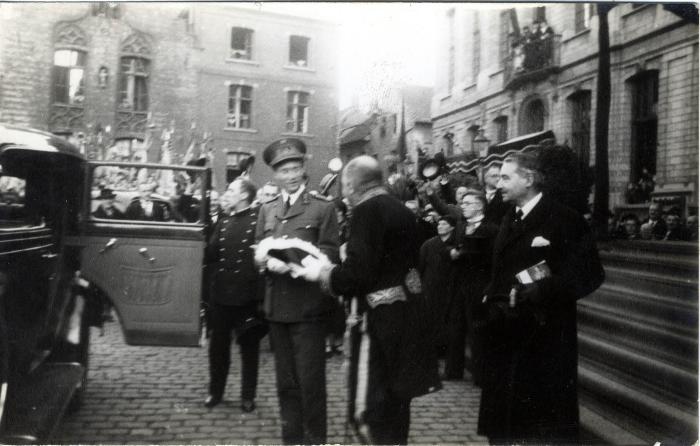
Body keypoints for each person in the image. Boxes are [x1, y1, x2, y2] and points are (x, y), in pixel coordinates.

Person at [296, 155, 441, 445]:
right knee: (395, 406)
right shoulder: (401, 209)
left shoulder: (366, 211)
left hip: (375, 323)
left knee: (365, 411)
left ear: (351, 184)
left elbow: (357, 274)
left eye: (344, 185)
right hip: (405, 318)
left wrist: (323, 273)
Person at [478, 151, 603, 444]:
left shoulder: (564, 219)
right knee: (504, 428)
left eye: (506, 177)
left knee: (539, 425)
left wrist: (546, 289)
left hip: (544, 340)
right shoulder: (508, 216)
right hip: (505, 334)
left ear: (529, 179)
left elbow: (591, 274)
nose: (498, 184)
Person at [254, 138, 339, 445]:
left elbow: (331, 252)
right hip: (277, 309)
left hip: (308, 310)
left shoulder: (322, 207)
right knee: (286, 385)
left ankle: (315, 441)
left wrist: (295, 264)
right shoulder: (267, 209)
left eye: (295, 168)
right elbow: (258, 249)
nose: (290, 175)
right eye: (283, 170)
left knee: (310, 384)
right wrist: (265, 263)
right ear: (275, 175)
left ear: (304, 169)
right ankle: (291, 440)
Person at [203, 178, 266, 412]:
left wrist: (258, 298)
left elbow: (261, 261)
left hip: (246, 297)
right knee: (217, 350)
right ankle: (215, 392)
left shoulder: (257, 220)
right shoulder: (224, 219)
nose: (227, 193)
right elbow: (211, 253)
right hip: (221, 296)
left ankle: (248, 396)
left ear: (244, 196)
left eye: (231, 190)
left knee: (249, 349)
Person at [451, 189, 498, 384]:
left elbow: (492, 259)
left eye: (468, 203)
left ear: (479, 205)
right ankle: (453, 371)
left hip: (479, 286)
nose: (463, 206)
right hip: (460, 284)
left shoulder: (491, 229)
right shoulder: (461, 227)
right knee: (456, 327)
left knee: (477, 331)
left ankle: (481, 376)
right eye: (462, 203)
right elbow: (454, 248)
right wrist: (453, 253)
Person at [419, 215, 459, 365]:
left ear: (452, 227)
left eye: (444, 224)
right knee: (431, 319)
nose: (440, 226)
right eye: (439, 223)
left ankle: (443, 350)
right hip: (430, 288)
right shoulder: (428, 245)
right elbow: (420, 267)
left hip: (449, 288)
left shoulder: (456, 245)